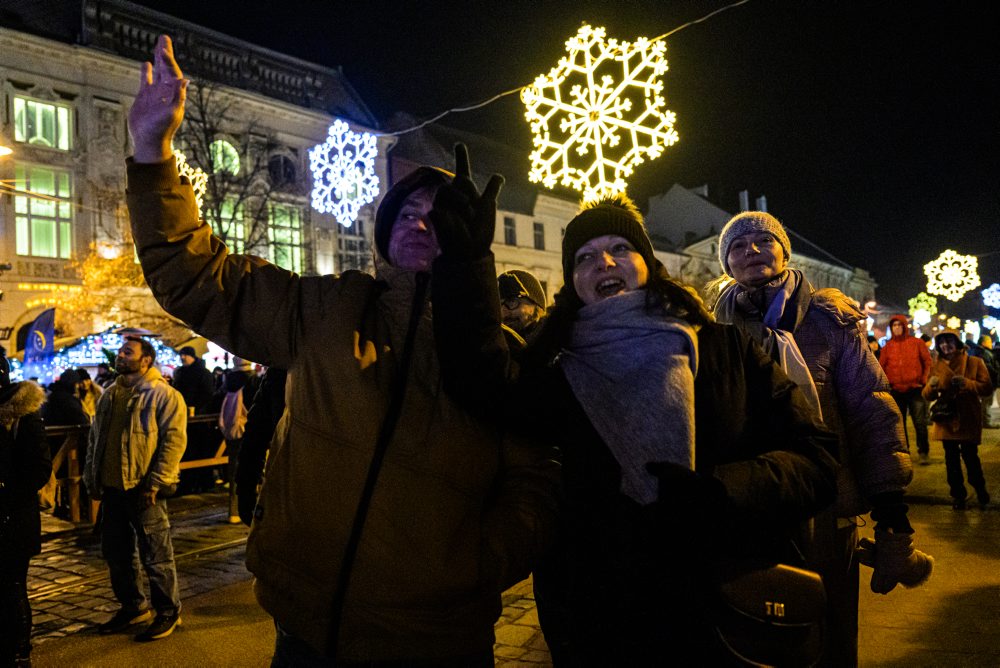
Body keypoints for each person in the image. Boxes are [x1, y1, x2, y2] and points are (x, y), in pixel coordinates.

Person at [123, 35, 559, 664]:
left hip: (435, 638)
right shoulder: (329, 309)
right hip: (303, 624)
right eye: (407, 210)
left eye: (441, 215)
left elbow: (538, 479)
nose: (420, 222)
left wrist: (475, 564)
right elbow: (200, 278)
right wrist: (151, 151)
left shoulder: (500, 351)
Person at [429, 150, 841, 664]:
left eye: (620, 248)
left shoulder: (725, 351)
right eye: (584, 257)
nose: (603, 262)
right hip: (598, 620)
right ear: (574, 283)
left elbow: (818, 458)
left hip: (721, 609)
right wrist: (465, 264)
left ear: (649, 266)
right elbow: (481, 384)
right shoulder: (556, 368)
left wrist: (724, 490)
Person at [710, 211, 931, 667]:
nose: (750, 250)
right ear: (727, 264)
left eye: (762, 241)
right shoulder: (712, 329)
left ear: (784, 252)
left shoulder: (830, 322)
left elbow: (872, 410)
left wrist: (892, 511)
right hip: (747, 508)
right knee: (755, 634)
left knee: (828, 633)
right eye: (737, 246)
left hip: (826, 510)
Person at [83, 336, 187, 641]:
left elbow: (174, 442)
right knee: (117, 553)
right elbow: (95, 440)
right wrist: (93, 477)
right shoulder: (110, 395)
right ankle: (133, 606)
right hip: (113, 488)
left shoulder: (162, 395)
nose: (120, 355)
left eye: (128, 352)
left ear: (145, 360)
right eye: (120, 351)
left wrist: (155, 482)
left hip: (144, 488)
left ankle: (168, 611)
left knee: (156, 553)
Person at [0, 350, 50, 666]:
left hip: (12, 518)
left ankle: (20, 652)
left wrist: (6, 498)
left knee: (12, 586)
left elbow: (38, 469)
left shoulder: (23, 416)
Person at [922, 330, 994, 509]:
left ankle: (980, 490)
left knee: (971, 457)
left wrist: (968, 383)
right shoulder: (935, 365)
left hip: (967, 416)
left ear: (957, 343)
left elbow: (987, 388)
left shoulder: (974, 362)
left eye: (949, 341)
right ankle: (958, 496)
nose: (946, 345)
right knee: (951, 460)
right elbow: (926, 395)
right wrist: (931, 386)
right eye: (942, 342)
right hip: (946, 418)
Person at [235, 367, 287, 526]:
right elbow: (255, 435)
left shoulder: (283, 367)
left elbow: (255, 435)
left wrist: (245, 490)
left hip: (289, 482)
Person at [879, 315, 933, 463]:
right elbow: (881, 367)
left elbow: (927, 361)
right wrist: (886, 385)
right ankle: (905, 452)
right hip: (896, 390)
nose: (896, 327)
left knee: (920, 422)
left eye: (899, 325)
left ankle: (923, 451)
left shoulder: (916, 343)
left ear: (904, 326)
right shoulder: (887, 347)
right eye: (894, 325)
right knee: (899, 425)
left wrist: (924, 379)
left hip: (915, 389)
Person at [497, 269, 547, 345]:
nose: (503, 312)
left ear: (535, 304)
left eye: (512, 302)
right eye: (499, 305)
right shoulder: (496, 344)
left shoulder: (555, 342)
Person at [966, 334, 999, 428]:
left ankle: (979, 421)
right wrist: (996, 372)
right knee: (986, 402)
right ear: (984, 343)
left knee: (980, 402)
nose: (991, 344)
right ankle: (986, 422)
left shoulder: (975, 351)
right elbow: (988, 368)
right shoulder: (984, 353)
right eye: (989, 342)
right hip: (986, 381)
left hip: (976, 381)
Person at [171, 346, 214, 415]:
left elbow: (207, 393)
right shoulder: (180, 372)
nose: (182, 357)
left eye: (185, 355)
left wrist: (198, 408)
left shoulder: (203, 372)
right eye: (181, 355)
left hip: (198, 411)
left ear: (192, 356)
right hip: (181, 409)